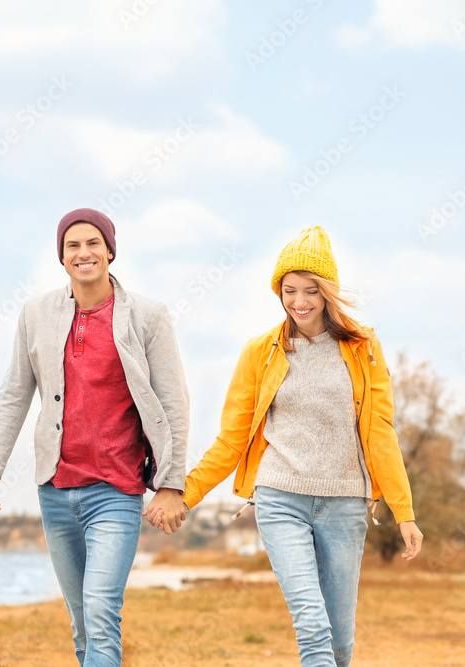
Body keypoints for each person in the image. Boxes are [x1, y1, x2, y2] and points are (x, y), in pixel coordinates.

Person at [147, 226, 423, 667]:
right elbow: (233, 437)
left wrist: (403, 511)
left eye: (311, 290)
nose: (299, 301)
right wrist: (186, 491)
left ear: (328, 292)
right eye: (289, 290)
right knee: (312, 627)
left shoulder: (362, 348)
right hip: (280, 500)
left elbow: (380, 432)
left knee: (338, 643)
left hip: (345, 504)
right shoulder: (261, 352)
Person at [0, 207, 190, 666]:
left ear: (110, 251)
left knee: (100, 610)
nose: (83, 252)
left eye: (93, 243)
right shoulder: (36, 314)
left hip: (116, 489)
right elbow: (15, 391)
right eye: (72, 245)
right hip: (55, 490)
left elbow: (173, 403)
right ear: (61, 256)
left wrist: (172, 484)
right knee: (82, 623)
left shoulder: (148, 316)